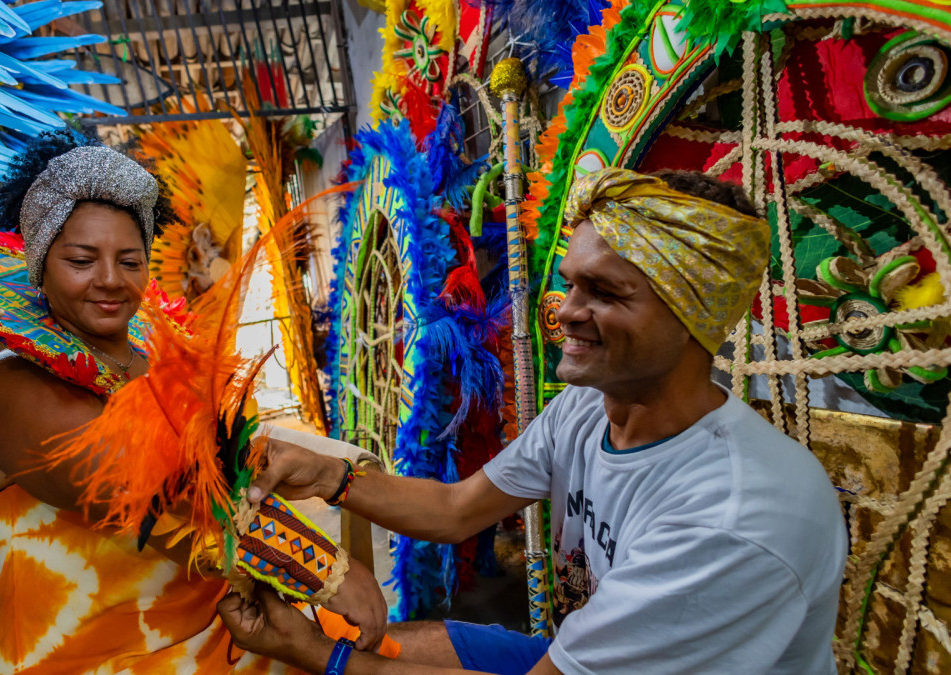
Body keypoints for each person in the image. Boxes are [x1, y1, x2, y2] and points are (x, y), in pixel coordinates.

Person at [216, 168, 848, 675]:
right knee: (377, 645)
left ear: (695, 317)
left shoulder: (731, 516)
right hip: (578, 655)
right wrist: (330, 475)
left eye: (605, 293)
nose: (567, 313)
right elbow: (456, 508)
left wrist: (313, 654)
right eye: (571, 285)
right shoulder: (586, 408)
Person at [0, 130, 386, 674]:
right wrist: (322, 568)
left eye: (130, 261)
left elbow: (220, 468)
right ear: (40, 265)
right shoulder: (11, 387)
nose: (110, 281)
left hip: (221, 631)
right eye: (82, 260)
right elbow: (156, 493)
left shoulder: (151, 354)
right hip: (98, 660)